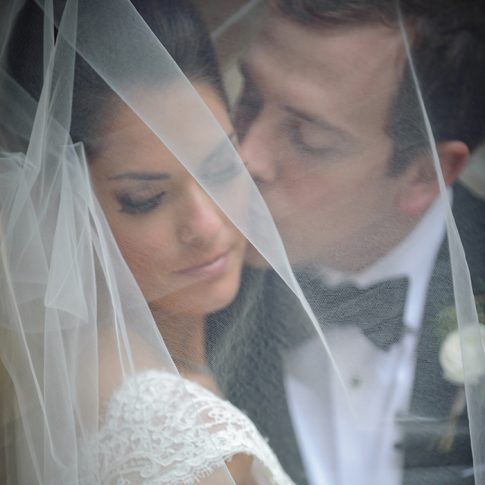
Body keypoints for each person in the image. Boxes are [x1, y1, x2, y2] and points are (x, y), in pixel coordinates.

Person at [0, 0, 298, 483]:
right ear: (61, 202)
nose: (205, 224)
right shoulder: (183, 438)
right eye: (145, 198)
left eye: (222, 167)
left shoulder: (72, 380)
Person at [211, 1, 485, 484]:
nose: (246, 157)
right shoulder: (178, 287)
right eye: (249, 97)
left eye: (308, 137)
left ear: (425, 175)